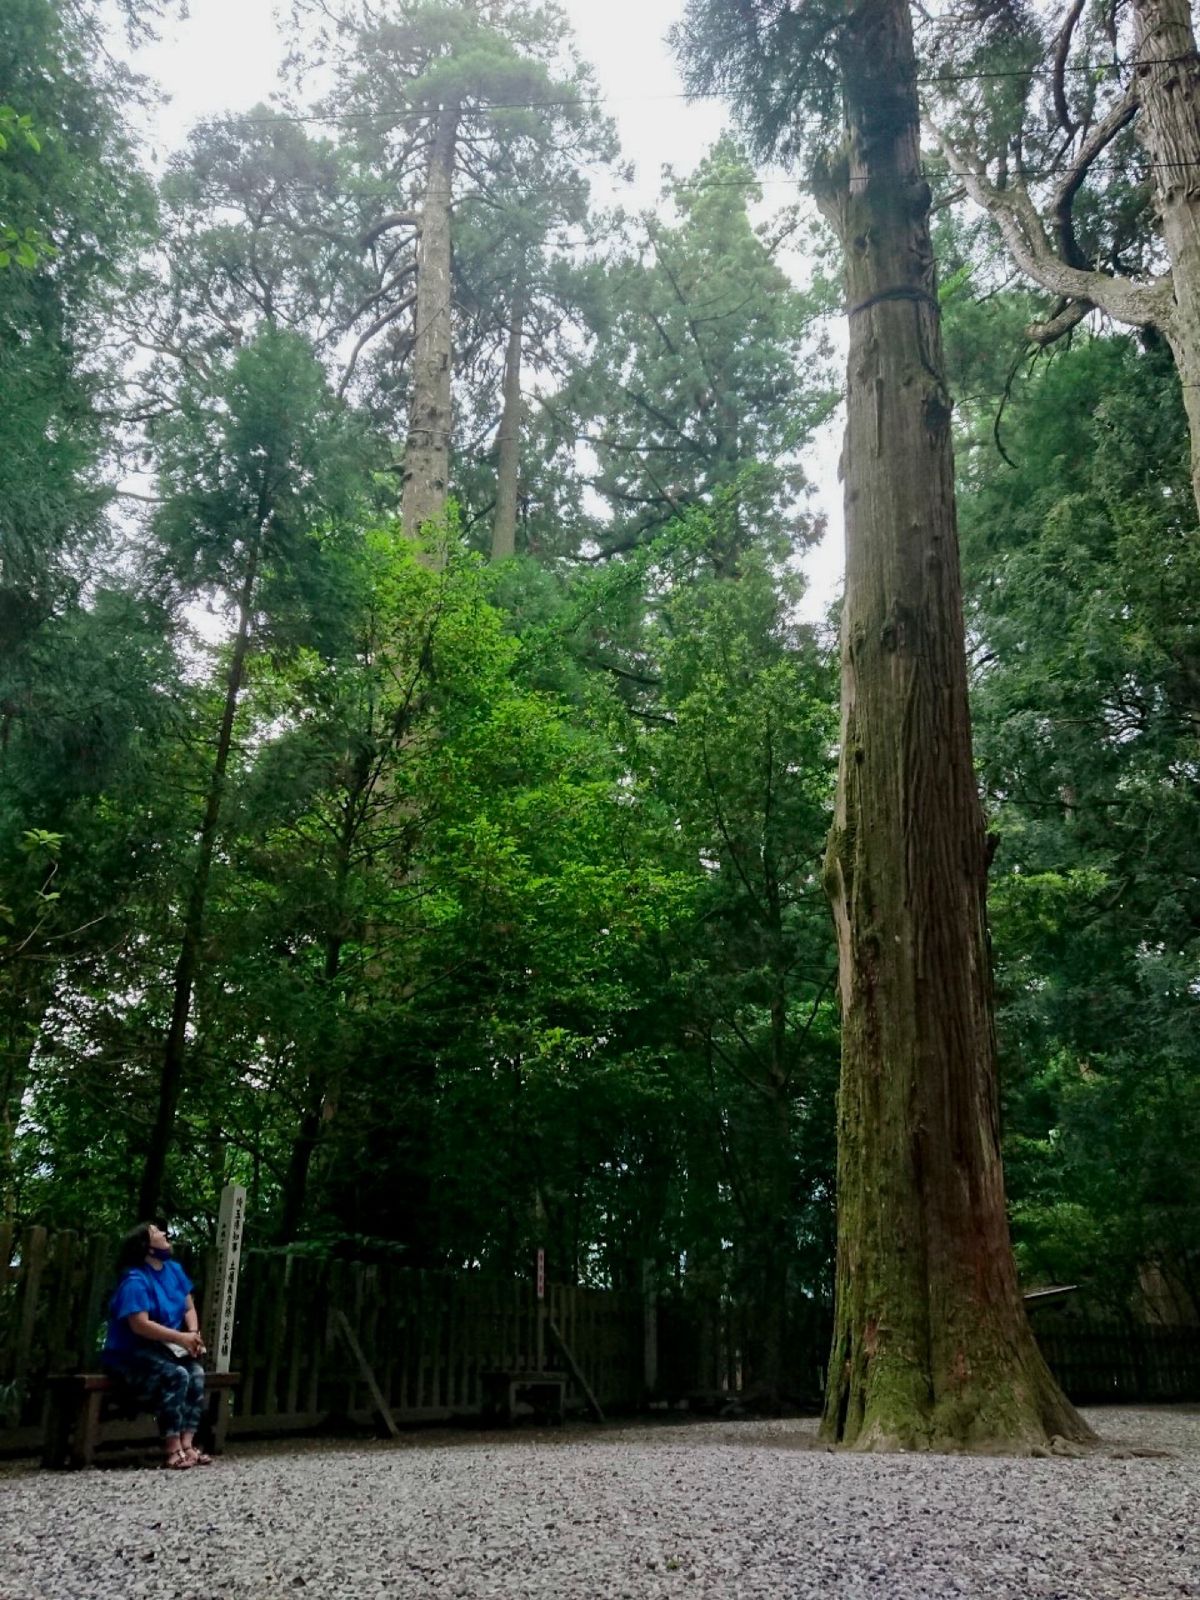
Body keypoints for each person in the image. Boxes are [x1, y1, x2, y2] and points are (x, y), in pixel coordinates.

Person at [102, 1222, 212, 1470]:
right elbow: (140, 1325)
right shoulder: (135, 1280)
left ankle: (188, 1444)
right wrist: (180, 1338)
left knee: (196, 1373)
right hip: (131, 1355)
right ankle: (172, 1447)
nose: (164, 1234)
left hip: (166, 1349)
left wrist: (192, 1334)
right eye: (156, 1232)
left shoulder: (174, 1270)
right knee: (177, 1375)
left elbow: (188, 1307)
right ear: (147, 1247)